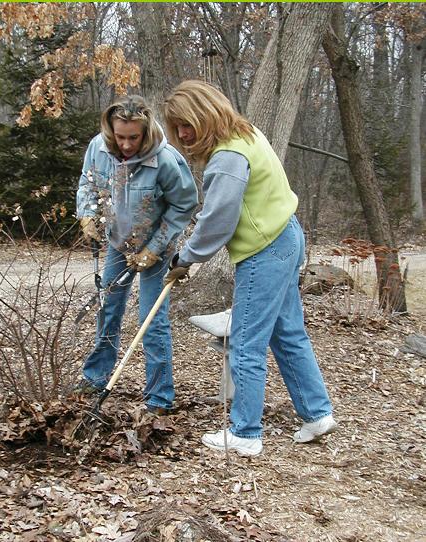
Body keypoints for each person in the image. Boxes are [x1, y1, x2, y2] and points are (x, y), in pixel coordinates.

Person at [162, 80, 337, 455]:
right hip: (287, 235)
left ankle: (244, 432)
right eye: (177, 128)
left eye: (186, 124)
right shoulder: (247, 132)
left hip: (265, 250)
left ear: (204, 114)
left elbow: (217, 220)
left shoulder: (227, 158)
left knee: (245, 342)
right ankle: (317, 413)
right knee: (287, 332)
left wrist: (186, 258)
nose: (182, 134)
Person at [76, 95, 198, 414]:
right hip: (118, 244)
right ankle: (95, 377)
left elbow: (185, 204)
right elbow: (88, 185)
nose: (127, 144)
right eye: (121, 136)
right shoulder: (98, 149)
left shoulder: (166, 160)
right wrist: (87, 214)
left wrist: (154, 249)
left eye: (134, 137)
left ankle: (159, 398)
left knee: (151, 320)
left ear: (144, 131)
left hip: (156, 248)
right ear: (111, 130)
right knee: (108, 308)